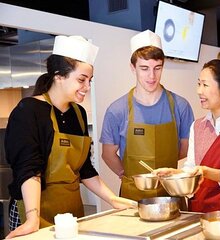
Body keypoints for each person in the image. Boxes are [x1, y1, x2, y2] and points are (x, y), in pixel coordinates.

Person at [5, 35, 137, 239]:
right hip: (34, 209)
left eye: (90, 80)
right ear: (59, 76)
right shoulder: (28, 111)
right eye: (81, 80)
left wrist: (113, 200)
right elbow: (28, 170)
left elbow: (85, 169)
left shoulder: (78, 113)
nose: (87, 87)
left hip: (69, 212)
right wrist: (32, 218)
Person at [154, 59, 220, 213]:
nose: (199, 91)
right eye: (199, 84)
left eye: (205, 85)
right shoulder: (197, 126)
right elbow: (192, 167)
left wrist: (207, 172)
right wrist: (175, 173)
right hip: (198, 210)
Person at [100, 30, 194, 201]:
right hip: (132, 197)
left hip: (170, 193)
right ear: (132, 68)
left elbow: (185, 148)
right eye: (144, 68)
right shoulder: (117, 110)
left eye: (157, 68)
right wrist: (126, 174)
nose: (152, 76)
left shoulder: (180, 106)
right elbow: (108, 154)